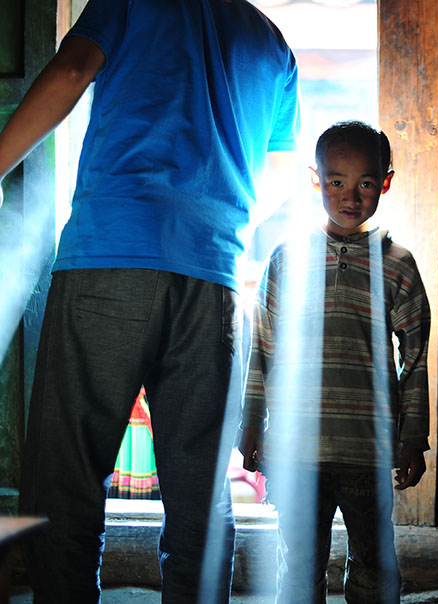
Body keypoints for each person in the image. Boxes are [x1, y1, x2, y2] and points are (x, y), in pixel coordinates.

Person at [0, 0, 300, 602]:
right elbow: (281, 168)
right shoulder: (271, 42)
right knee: (202, 495)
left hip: (110, 257)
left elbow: (71, 69)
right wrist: (214, 214)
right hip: (214, 279)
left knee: (65, 479)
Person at [239, 120, 431, 604]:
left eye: (365, 183)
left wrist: (413, 438)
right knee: (299, 570)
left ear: (385, 182)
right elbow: (262, 348)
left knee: (374, 567)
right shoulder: (286, 259)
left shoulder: (398, 265)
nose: (350, 196)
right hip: (295, 450)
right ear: (315, 180)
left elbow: (415, 361)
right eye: (336, 182)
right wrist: (251, 424)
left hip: (368, 450)